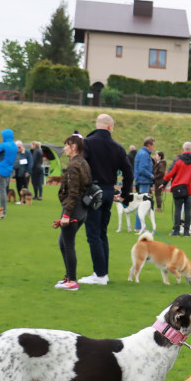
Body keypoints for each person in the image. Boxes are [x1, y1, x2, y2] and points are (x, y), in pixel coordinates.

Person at [79, 113, 133, 285]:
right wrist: (124, 194)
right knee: (102, 233)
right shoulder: (117, 147)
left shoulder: (87, 143)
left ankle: (100, 275)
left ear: (97, 125)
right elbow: (129, 173)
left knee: (93, 234)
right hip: (109, 191)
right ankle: (103, 273)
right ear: (110, 127)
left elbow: (78, 167)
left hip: (93, 191)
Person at [54, 134, 93, 291]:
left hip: (73, 209)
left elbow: (73, 193)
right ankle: (68, 277)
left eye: (66, 145)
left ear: (74, 147)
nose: (64, 148)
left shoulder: (73, 166)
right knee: (62, 242)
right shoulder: (84, 163)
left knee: (68, 244)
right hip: (82, 209)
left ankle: (72, 281)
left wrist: (66, 215)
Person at [163, 142, 191, 237]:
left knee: (178, 209)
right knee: (188, 211)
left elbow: (170, 172)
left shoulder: (178, 160)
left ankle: (176, 231)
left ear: (183, 149)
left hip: (178, 188)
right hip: (190, 190)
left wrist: (164, 183)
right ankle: (186, 232)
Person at [0, 129, 17, 214]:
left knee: (2, 191)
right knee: (4, 189)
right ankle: (3, 210)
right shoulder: (14, 145)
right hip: (9, 170)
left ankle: (3, 211)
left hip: (1, 169)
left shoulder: (4, 145)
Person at [132, 137, 155, 230]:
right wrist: (152, 176)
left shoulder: (141, 153)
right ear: (149, 145)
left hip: (141, 181)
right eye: (153, 145)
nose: (154, 148)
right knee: (142, 205)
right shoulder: (144, 154)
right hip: (143, 181)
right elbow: (142, 169)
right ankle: (138, 226)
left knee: (141, 204)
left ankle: (138, 226)